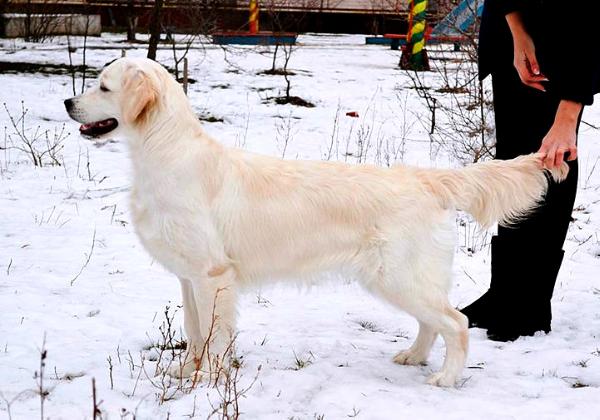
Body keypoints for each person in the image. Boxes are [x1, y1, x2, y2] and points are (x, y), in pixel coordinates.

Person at [460, 0, 600, 341]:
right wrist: (517, 31)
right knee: (514, 160)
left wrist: (569, 112)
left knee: (551, 158)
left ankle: (530, 304)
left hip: (571, 38)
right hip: (514, 29)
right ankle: (505, 293)